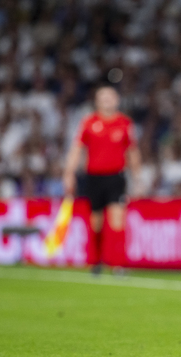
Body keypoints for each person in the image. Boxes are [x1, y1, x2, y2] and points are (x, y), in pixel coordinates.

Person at [63, 86, 142, 274]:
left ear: (117, 100)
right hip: (94, 177)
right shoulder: (88, 122)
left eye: (110, 96)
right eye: (103, 96)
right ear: (97, 101)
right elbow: (77, 149)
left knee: (117, 220)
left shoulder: (124, 123)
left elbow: (132, 151)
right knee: (96, 222)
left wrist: (137, 177)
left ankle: (118, 264)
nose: (107, 99)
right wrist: (68, 173)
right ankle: (96, 261)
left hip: (116, 177)